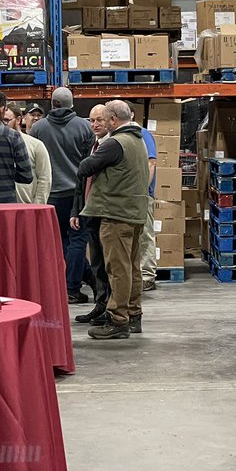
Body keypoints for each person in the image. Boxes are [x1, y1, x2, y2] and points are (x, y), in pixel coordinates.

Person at [77, 100, 151, 340]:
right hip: (134, 212)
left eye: (105, 118)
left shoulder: (114, 143)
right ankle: (133, 314)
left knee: (117, 268)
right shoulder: (139, 140)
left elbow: (85, 167)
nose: (101, 123)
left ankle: (118, 319)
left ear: (113, 120)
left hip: (115, 214)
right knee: (131, 267)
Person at [30, 87, 95, 302]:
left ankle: (70, 284)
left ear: (52, 103)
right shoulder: (85, 127)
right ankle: (72, 287)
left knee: (61, 241)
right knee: (77, 239)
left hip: (49, 194)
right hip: (76, 193)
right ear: (71, 104)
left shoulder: (38, 128)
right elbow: (89, 161)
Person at [72, 104, 113, 326]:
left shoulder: (113, 147)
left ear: (110, 121)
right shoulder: (92, 145)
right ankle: (101, 304)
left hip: (106, 213)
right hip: (90, 211)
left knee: (109, 264)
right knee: (96, 263)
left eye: (99, 120)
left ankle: (111, 308)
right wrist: (76, 210)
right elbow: (81, 179)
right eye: (91, 120)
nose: (95, 124)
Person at [5, 104, 52, 205]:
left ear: (18, 120)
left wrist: (38, 206)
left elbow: (44, 178)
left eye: (6, 120)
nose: (3, 125)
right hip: (2, 207)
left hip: (27, 205)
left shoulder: (36, 145)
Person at [137, 123, 160, 292]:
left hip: (142, 194)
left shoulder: (142, 133)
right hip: (130, 196)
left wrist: (143, 189)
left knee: (145, 233)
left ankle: (147, 276)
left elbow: (151, 162)